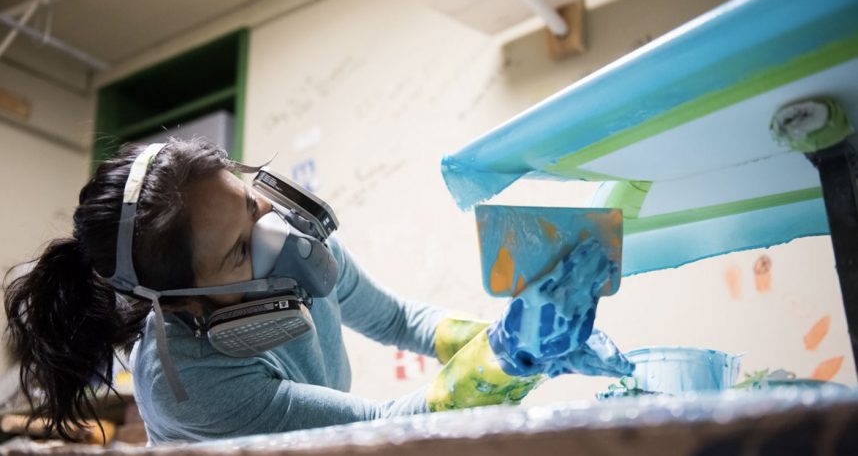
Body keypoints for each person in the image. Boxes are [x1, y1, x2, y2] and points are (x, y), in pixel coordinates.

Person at [3, 138, 632, 444]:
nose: (277, 235)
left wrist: (512, 338)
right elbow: (386, 430)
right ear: (182, 301)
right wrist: (511, 355)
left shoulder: (295, 250)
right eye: (241, 250)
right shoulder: (186, 384)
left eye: (253, 203)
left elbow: (402, 320)